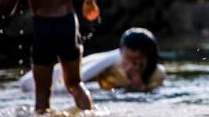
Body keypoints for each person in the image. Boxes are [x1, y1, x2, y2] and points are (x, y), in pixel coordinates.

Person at [19, 27, 166, 93]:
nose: (135, 64)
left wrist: (135, 80)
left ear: (150, 58)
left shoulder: (157, 72)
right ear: (122, 54)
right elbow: (73, 82)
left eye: (139, 59)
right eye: (129, 59)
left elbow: (145, 92)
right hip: (100, 73)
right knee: (29, 83)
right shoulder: (111, 63)